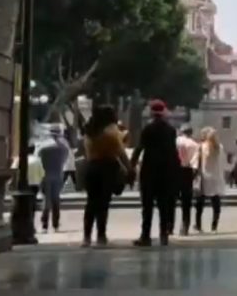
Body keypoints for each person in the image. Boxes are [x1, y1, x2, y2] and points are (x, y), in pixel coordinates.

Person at [130, 100, 181, 246]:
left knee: (147, 206)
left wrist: (131, 166)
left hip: (149, 171)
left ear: (151, 112)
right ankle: (163, 234)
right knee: (164, 205)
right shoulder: (171, 130)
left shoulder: (147, 129)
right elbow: (173, 152)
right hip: (166, 172)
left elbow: (139, 148)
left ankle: (145, 236)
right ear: (164, 112)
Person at [81, 105, 132, 247]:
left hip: (91, 167)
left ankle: (86, 237)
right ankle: (101, 236)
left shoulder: (89, 131)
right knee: (103, 204)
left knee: (91, 203)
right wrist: (129, 169)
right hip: (107, 168)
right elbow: (121, 153)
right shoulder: (111, 131)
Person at [194, 127, 228, 233]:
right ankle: (214, 226)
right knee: (216, 202)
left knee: (200, 203)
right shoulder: (220, 148)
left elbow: (195, 162)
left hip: (205, 177)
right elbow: (224, 163)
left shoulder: (201, 147)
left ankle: (198, 226)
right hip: (216, 177)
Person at [38, 126, 71, 233]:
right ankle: (55, 224)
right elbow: (65, 160)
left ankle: (44, 225)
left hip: (45, 174)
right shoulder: (64, 148)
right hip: (58, 175)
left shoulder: (43, 147)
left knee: (46, 201)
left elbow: (38, 158)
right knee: (56, 200)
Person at [174, 126, 201, 236]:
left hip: (175, 170)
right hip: (187, 171)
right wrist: (193, 176)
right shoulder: (195, 145)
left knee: (171, 200)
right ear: (191, 133)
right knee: (186, 202)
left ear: (181, 132)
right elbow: (195, 163)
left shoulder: (175, 141)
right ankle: (184, 227)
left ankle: (169, 226)